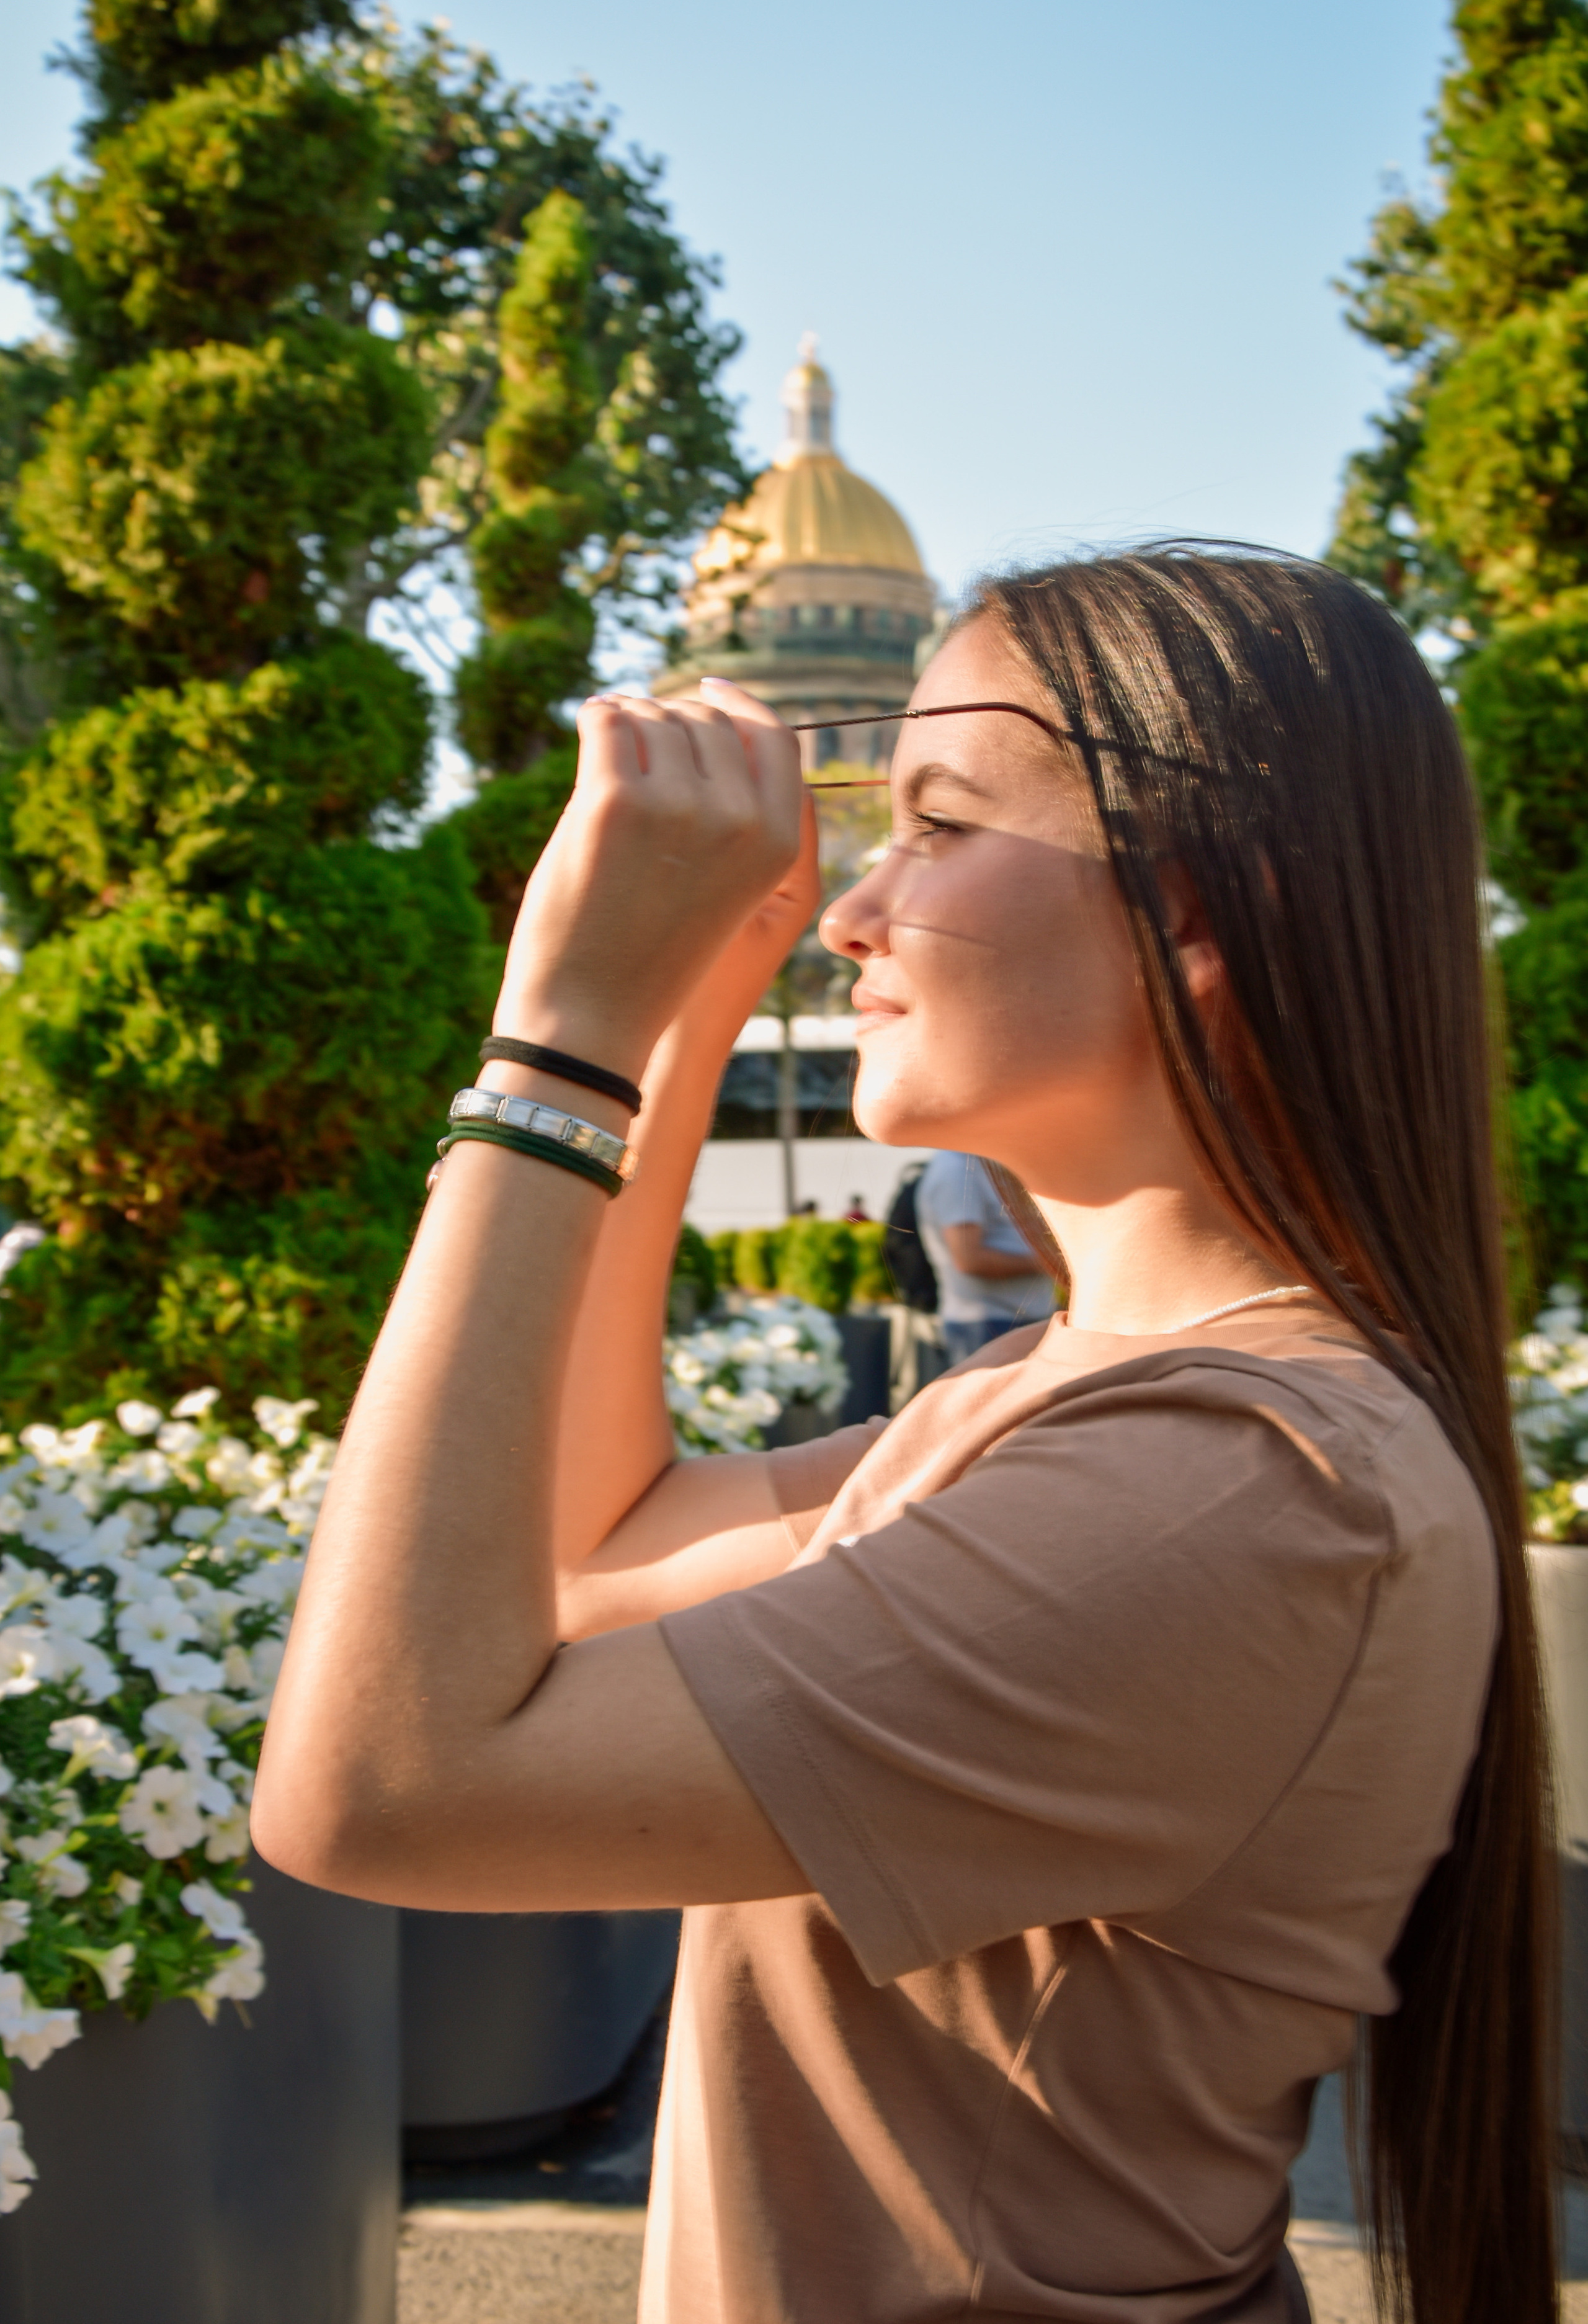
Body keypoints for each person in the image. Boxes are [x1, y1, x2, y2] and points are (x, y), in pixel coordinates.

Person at [255, 548, 1555, 2324]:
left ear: (1195, 911)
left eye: (937, 826)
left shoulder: (1235, 1488)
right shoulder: (1087, 1402)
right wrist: (682, 1016)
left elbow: (378, 1791)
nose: (852, 914)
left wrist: (554, 1047)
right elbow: (594, 1550)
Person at [914, 1147, 1056, 1361]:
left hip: (1009, 1321)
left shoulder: (982, 1163)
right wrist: (1053, 1264)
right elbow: (969, 1260)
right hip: (987, 1324)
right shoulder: (956, 1170)